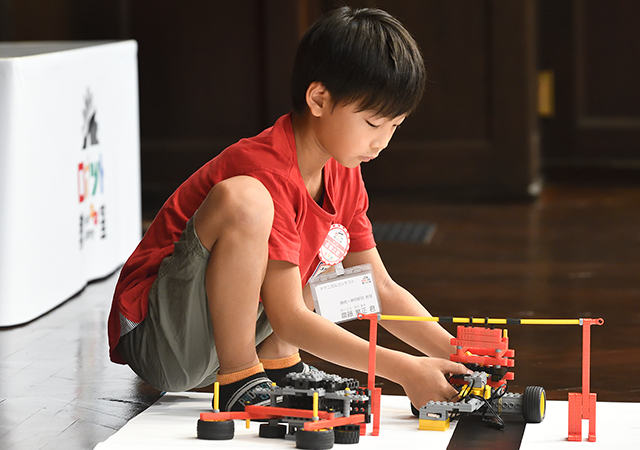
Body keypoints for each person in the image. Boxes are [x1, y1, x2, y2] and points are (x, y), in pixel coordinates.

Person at [108, 6, 470, 413]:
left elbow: (378, 288)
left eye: (395, 126)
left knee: (333, 249)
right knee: (247, 200)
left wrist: (458, 354)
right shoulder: (266, 170)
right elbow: (289, 317)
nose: (382, 142)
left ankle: (278, 363)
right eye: (373, 124)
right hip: (161, 338)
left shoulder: (343, 170)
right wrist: (405, 370)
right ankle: (240, 376)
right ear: (319, 99)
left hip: (219, 337)